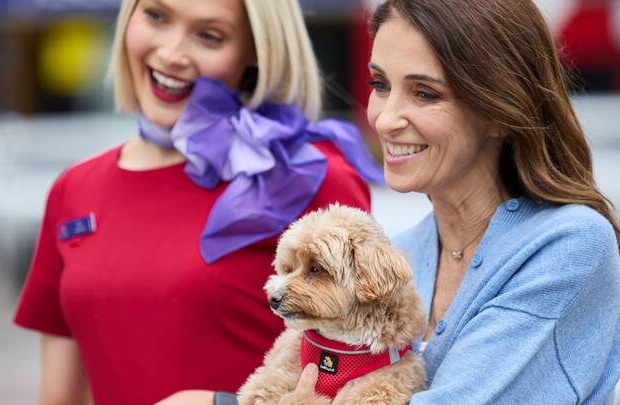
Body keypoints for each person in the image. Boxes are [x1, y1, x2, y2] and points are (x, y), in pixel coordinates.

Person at [175, 0, 620, 404]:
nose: (385, 119)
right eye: (380, 84)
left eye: (425, 93)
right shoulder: (402, 247)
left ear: (499, 111)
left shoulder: (568, 245)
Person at [13, 0, 384, 404]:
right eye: (156, 15)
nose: (172, 53)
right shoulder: (74, 189)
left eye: (209, 35)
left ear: (257, 51)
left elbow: (365, 381)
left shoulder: (311, 178)